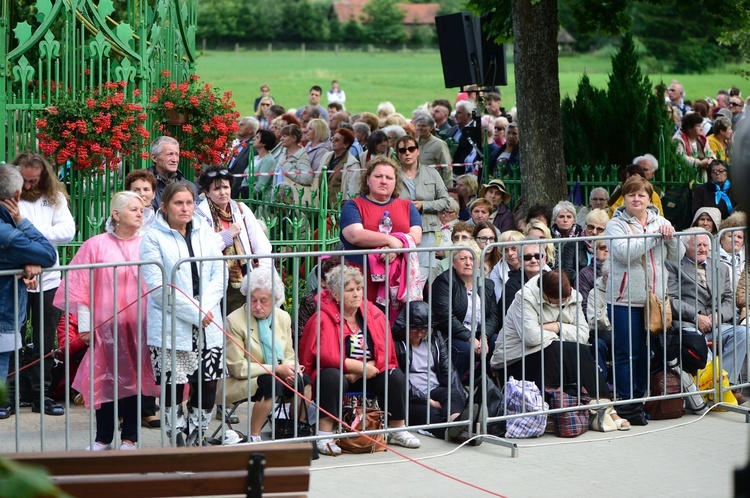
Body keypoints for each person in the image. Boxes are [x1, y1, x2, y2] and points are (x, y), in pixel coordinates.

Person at [53, 191, 159, 449]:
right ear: (116, 213)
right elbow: (81, 288)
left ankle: (130, 437)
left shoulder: (148, 243)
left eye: (141, 209)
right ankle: (103, 436)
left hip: (140, 325)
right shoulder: (96, 245)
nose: (139, 213)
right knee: (105, 379)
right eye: (133, 209)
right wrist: (87, 327)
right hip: (106, 327)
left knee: (134, 380)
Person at [299, 266, 421, 456]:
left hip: (369, 369)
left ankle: (398, 429)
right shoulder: (322, 317)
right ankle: (324, 434)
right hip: (337, 372)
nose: (357, 294)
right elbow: (325, 354)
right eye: (350, 290)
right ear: (336, 295)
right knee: (331, 377)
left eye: (359, 289)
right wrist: (357, 367)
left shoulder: (373, 313)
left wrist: (368, 367)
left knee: (395, 376)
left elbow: (385, 349)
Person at [140, 183, 228, 446]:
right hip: (172, 324)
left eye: (189, 202)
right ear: (165, 207)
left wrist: (205, 309)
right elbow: (159, 288)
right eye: (179, 203)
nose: (185, 208)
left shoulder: (206, 233)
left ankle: (196, 437)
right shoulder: (153, 238)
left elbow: (218, 274)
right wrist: (195, 313)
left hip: (208, 320)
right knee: (173, 386)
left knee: (207, 383)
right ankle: (176, 441)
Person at [490, 270, 631, 430]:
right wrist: (565, 335)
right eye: (557, 301)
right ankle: (606, 409)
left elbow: (583, 335)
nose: (562, 304)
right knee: (565, 349)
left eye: (565, 300)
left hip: (552, 356)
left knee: (574, 349)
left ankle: (603, 408)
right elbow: (532, 338)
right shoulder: (524, 298)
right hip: (515, 360)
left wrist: (556, 326)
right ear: (544, 294)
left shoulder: (573, 297)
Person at [605, 175, 683, 423]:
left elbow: (677, 255)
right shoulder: (615, 224)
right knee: (625, 353)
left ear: (649, 198)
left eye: (641, 195)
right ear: (624, 198)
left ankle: (639, 400)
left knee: (643, 353)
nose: (636, 199)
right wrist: (653, 236)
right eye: (631, 194)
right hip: (623, 300)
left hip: (653, 301)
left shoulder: (660, 220)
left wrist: (670, 236)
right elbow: (623, 253)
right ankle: (627, 405)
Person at [9, 152, 74, 417]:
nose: (28, 186)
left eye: (34, 180)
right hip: (15, 278)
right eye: (23, 180)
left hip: (48, 279)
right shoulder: (7, 198)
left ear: (43, 177)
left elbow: (68, 231)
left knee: (45, 340)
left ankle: (41, 394)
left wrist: (28, 229)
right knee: (11, 337)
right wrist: (36, 238)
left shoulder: (54, 197)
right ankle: (9, 395)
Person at [224, 268, 312, 442]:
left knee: (304, 381)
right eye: (253, 299)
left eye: (263, 301)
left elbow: (289, 354)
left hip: (276, 372)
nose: (257, 306)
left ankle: (295, 429)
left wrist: (291, 370)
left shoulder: (283, 317)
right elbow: (238, 367)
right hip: (245, 379)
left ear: (275, 300)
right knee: (272, 383)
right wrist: (277, 369)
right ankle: (253, 437)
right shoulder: (234, 321)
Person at [0, 164, 57, 419]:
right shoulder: (8, 232)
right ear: (16, 196)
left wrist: (22, 261)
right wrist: (22, 222)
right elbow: (48, 253)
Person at [667, 229, 746, 403]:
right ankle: (714, 389)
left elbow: (729, 301)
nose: (703, 249)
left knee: (742, 333)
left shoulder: (721, 267)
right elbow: (671, 300)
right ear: (686, 246)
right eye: (698, 245)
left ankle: (722, 385)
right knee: (697, 342)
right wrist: (696, 316)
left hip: (715, 323)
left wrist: (718, 316)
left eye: (705, 245)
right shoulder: (673, 266)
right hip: (688, 323)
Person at [196, 165, 273, 314]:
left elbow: (261, 244)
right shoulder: (200, 214)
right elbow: (203, 248)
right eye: (217, 189)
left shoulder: (241, 209)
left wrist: (261, 276)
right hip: (214, 278)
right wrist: (227, 235)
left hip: (243, 277)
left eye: (226, 187)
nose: (223, 192)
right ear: (207, 192)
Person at [392, 301, 469, 442]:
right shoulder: (396, 344)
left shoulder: (434, 339)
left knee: (451, 394)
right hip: (411, 398)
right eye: (414, 328)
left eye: (424, 329)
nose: (420, 333)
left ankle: (456, 424)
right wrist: (429, 401)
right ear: (404, 327)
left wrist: (460, 397)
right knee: (431, 413)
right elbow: (399, 381)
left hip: (435, 389)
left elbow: (448, 370)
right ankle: (459, 431)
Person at [339, 156, 422, 274]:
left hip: (399, 278)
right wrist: (390, 240)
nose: (383, 181)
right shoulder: (352, 206)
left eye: (389, 178)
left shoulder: (408, 206)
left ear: (395, 182)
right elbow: (355, 235)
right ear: (367, 179)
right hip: (359, 280)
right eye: (378, 176)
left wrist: (393, 249)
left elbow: (416, 236)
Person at [431, 241, 501, 381]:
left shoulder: (487, 285)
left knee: (499, 343)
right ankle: (453, 387)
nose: (468, 263)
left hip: (479, 333)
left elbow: (493, 316)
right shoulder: (444, 282)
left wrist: (484, 337)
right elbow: (445, 317)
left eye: (472, 258)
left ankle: (493, 387)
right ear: (454, 262)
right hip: (452, 335)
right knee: (466, 350)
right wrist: (470, 338)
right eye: (463, 259)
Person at [396, 135, 451, 284]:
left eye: (411, 149)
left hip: (427, 230)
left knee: (419, 276)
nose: (407, 153)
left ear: (418, 151)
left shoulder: (432, 173)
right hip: (401, 231)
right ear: (398, 154)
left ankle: (414, 305)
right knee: (401, 274)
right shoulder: (393, 175)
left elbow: (446, 201)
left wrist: (423, 205)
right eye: (402, 150)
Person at [146, 136, 198, 211]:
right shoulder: (143, 186)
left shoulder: (190, 187)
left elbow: (197, 218)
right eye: (170, 154)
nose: (175, 160)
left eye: (177, 154)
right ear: (154, 158)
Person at [559, 208, 608, 286]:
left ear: (606, 230)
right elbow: (567, 272)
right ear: (585, 226)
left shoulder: (609, 246)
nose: (594, 232)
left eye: (599, 229)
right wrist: (585, 280)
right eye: (591, 227)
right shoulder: (571, 245)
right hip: (578, 287)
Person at [319, 128, 359, 206]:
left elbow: (353, 190)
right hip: (322, 205)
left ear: (346, 144)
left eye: (337, 140)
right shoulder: (326, 156)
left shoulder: (352, 164)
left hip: (337, 207)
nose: (333, 141)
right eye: (332, 139)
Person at [413, 113, 453, 189]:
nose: (420, 128)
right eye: (418, 126)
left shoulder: (439, 144)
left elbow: (447, 167)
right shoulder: (413, 143)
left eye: (423, 126)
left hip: (433, 186)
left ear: (431, 128)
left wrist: (448, 189)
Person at [276, 125, 314, 204]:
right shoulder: (283, 153)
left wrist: (287, 167)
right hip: (278, 199)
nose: (281, 139)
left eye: (285, 136)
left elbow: (307, 178)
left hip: (291, 203)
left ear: (294, 138)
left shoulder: (301, 156)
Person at [673, 112, 715, 178]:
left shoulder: (702, 138)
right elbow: (680, 157)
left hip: (702, 176)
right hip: (685, 176)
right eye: (698, 126)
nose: (701, 128)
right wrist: (699, 163)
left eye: (701, 126)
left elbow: (709, 152)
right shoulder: (678, 139)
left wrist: (712, 160)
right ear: (689, 128)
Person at [489, 230, 525, 307]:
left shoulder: (534, 263)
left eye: (514, 248)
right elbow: (501, 300)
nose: (510, 253)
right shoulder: (497, 271)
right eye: (505, 250)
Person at [226, 117, 259, 198]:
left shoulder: (253, 146)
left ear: (250, 130)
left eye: (241, 125)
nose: (238, 127)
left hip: (241, 189)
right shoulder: (240, 145)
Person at [718, 211, 746, 288]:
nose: (735, 239)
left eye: (739, 237)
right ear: (722, 238)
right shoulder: (713, 258)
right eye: (731, 236)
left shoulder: (747, 257)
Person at [124, 169, 158, 233]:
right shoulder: (118, 218)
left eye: (146, 189)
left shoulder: (161, 218)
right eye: (136, 190)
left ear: (153, 194)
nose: (142, 194)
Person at [248, 129, 278, 198]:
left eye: (257, 137)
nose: (253, 138)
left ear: (264, 143)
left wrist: (246, 194)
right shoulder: (254, 158)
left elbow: (261, 185)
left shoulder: (268, 160)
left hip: (257, 199)